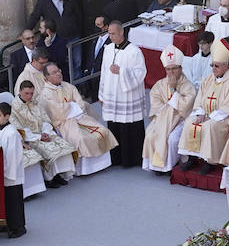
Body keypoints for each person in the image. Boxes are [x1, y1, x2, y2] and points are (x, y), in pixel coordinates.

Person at [39, 63, 117, 175]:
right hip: (64, 123)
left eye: (58, 70)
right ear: (47, 77)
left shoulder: (68, 86)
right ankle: (84, 170)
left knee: (102, 130)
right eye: (54, 72)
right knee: (80, 138)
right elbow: (56, 111)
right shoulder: (45, 94)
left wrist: (73, 107)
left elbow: (80, 103)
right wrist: (72, 106)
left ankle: (103, 164)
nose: (58, 74)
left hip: (80, 117)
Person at [178, 37, 229, 174]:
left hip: (223, 120)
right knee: (190, 122)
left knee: (210, 126)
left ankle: (210, 161)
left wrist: (210, 117)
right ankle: (192, 158)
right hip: (206, 115)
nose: (213, 69)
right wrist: (200, 113)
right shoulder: (209, 79)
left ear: (226, 65)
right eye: (212, 65)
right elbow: (200, 97)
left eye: (216, 66)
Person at [98, 20, 146, 168]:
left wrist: (122, 72)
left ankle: (132, 159)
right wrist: (101, 94)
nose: (110, 36)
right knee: (114, 125)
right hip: (112, 95)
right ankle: (116, 158)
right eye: (109, 34)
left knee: (129, 127)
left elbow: (141, 73)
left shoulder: (134, 51)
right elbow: (104, 72)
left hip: (127, 96)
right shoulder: (108, 49)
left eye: (113, 34)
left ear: (121, 32)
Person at [12, 80, 76, 187]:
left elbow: (45, 119)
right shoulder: (13, 108)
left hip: (44, 133)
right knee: (49, 150)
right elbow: (19, 129)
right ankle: (49, 179)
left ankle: (59, 174)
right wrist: (39, 136)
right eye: (26, 93)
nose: (29, 96)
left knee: (63, 145)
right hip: (31, 138)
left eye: (31, 93)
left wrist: (46, 132)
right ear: (19, 91)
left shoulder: (35, 102)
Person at [143, 48, 196, 174]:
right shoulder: (159, 85)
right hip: (162, 120)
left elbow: (186, 107)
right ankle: (156, 165)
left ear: (180, 68)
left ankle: (169, 166)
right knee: (150, 133)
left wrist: (173, 91)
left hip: (181, 121)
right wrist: (170, 108)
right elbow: (156, 107)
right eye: (168, 69)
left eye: (174, 68)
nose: (171, 72)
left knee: (172, 139)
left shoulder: (188, 86)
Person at [0, 104, 28, 240]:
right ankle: (5, 223)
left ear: (7, 116)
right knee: (3, 201)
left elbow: (12, 156)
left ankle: (18, 227)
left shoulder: (12, 132)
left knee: (13, 201)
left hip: (11, 173)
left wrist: (5, 172)